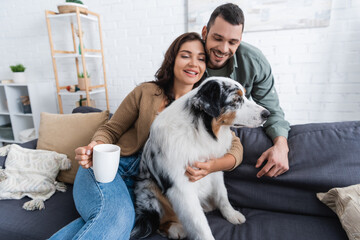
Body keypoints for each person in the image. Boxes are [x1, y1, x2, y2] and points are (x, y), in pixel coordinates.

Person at [49, 32, 243, 240]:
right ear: (173, 59)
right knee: (117, 219)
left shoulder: (206, 106)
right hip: (110, 168)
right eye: (185, 55)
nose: (194, 63)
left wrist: (213, 166)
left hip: (142, 188)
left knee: (112, 221)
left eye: (201, 58)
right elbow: (111, 129)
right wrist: (95, 146)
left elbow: (235, 146)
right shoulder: (146, 92)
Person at [200, 3, 291, 178]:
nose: (223, 49)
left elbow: (272, 111)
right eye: (217, 38)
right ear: (205, 32)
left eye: (232, 42)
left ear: (239, 41)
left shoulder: (254, 61)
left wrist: (281, 146)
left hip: (233, 134)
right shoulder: (188, 56)